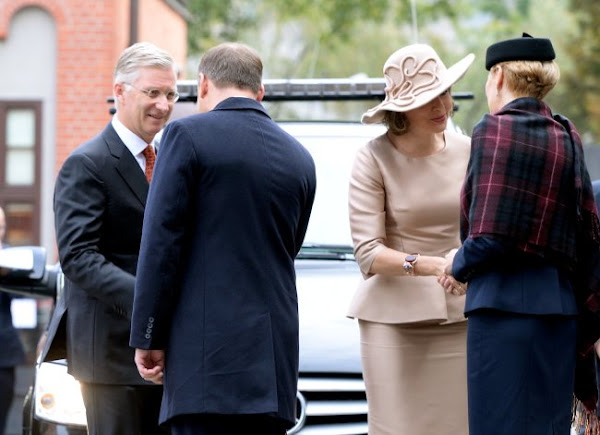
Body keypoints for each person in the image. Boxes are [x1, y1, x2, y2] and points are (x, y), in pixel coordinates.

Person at [129, 42, 316, 435]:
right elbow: (289, 247)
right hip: (273, 368)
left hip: (204, 363)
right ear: (259, 92)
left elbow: (162, 241)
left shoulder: (185, 135)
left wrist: (148, 334)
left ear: (203, 84)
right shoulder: (299, 157)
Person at [448, 33, 600, 434]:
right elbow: (586, 232)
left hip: (501, 314)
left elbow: (491, 235)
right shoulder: (567, 134)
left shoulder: (492, 131)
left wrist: (456, 263)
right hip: (559, 314)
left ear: (497, 76)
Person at [346, 43, 474, 434]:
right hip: (394, 324)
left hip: (464, 315)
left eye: (446, 93)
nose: (443, 105)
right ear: (401, 109)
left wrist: (466, 260)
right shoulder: (373, 158)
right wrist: (440, 264)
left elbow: (487, 227)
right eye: (429, 98)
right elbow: (368, 254)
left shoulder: (472, 150)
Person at [52, 41, 178, 435]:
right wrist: (148, 304)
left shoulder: (173, 160)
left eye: (172, 94)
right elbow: (78, 257)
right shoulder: (87, 164)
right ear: (120, 91)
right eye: (153, 92)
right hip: (111, 357)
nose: (164, 104)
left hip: (168, 353)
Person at [0, 207, 26, 435]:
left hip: (4, 352)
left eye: (2, 226)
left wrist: (10, 276)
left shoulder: (10, 258)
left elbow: (24, 295)